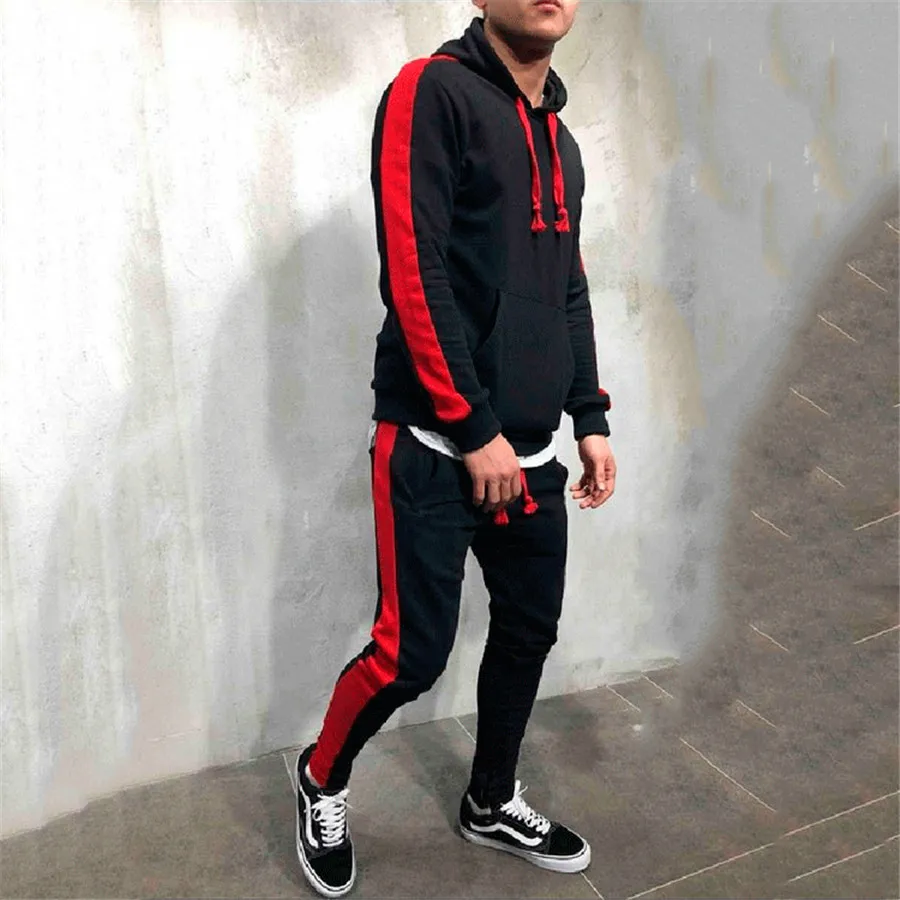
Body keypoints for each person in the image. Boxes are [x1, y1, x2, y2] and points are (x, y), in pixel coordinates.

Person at [293, 0, 616, 895]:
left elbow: (568, 287)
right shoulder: (429, 92)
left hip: (534, 455)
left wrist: (589, 415)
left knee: (527, 632)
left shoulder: (563, 144)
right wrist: (473, 428)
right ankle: (320, 776)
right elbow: (413, 266)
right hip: (435, 444)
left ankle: (492, 798)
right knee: (409, 655)